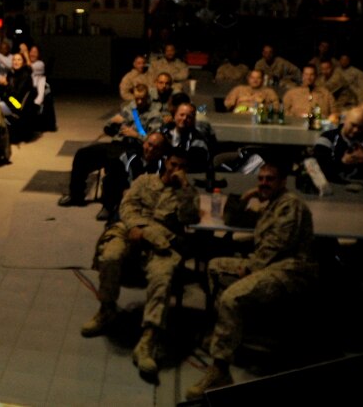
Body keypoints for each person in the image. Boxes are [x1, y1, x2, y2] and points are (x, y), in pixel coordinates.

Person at [188, 161, 315, 398]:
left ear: (282, 182)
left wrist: (250, 270)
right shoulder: (269, 205)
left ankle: (220, 369)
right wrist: (247, 195)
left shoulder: (290, 206)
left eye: (270, 179)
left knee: (231, 297)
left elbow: (276, 246)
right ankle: (228, 334)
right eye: (261, 179)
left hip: (289, 271)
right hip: (266, 264)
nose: (264, 183)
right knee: (215, 267)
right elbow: (231, 219)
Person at [81, 148, 198, 379]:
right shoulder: (145, 181)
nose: (176, 170)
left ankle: (148, 339)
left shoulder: (187, 192)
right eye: (173, 164)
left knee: (162, 276)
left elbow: (189, 218)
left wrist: (185, 189)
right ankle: (106, 309)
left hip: (162, 241)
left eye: (182, 167)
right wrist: (138, 227)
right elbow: (126, 206)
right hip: (130, 231)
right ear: (166, 162)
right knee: (111, 256)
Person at [58, 84, 163, 213]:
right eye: (137, 99)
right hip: (117, 144)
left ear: (148, 98)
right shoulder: (130, 108)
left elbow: (154, 140)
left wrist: (136, 134)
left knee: (115, 163)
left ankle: (108, 205)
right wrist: (112, 121)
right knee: (82, 154)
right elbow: (109, 128)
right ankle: (76, 195)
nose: (139, 102)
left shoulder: (155, 115)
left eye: (142, 99)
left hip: (135, 148)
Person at [311, 107, 363, 185]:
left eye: (361, 127)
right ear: (345, 120)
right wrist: (343, 162)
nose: (356, 130)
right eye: (353, 125)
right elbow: (320, 170)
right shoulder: (327, 138)